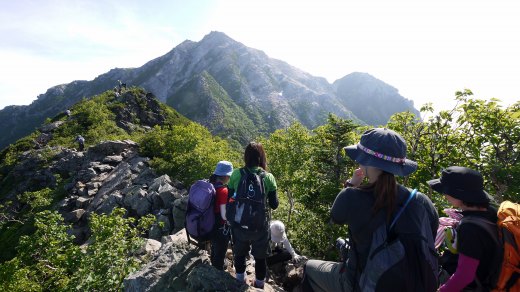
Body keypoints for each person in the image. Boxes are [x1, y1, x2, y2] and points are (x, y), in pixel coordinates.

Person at [303, 128, 439, 292]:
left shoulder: (351, 197)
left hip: (361, 284)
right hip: (410, 285)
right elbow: (431, 233)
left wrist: (351, 185)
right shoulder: (421, 201)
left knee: (309, 268)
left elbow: (335, 218)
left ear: (367, 162)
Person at [428, 166, 500, 292]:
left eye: (445, 191)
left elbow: (465, 275)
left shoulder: (470, 228)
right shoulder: (491, 213)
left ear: (459, 195)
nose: (444, 195)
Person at [228, 142, 279, 289]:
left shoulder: (237, 174)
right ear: (261, 157)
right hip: (260, 226)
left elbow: (230, 198)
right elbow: (274, 205)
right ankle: (259, 284)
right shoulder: (268, 177)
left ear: (246, 156)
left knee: (239, 254)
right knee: (260, 258)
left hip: (239, 223)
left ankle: (240, 281)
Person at [209, 161, 234, 271]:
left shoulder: (210, 185)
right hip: (220, 227)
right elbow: (224, 215)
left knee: (214, 248)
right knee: (219, 252)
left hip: (209, 224)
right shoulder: (223, 190)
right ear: (225, 176)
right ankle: (216, 274)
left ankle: (213, 264)